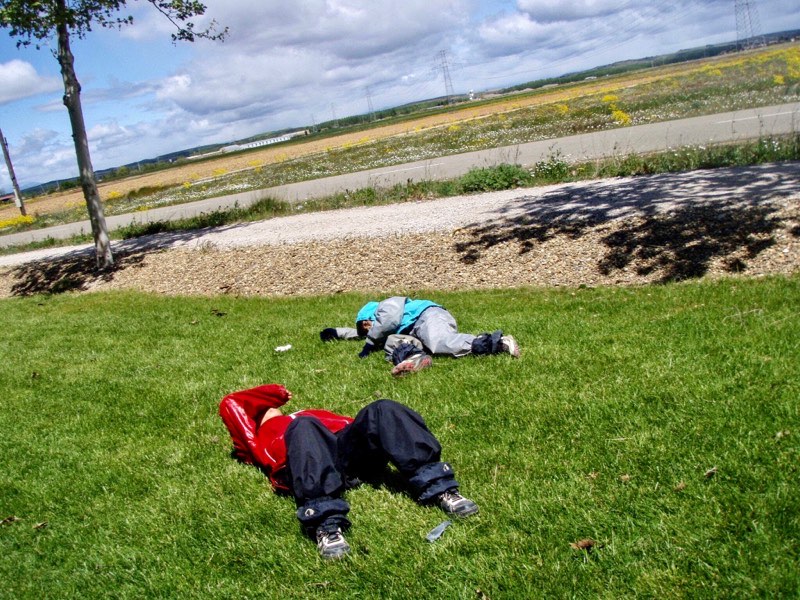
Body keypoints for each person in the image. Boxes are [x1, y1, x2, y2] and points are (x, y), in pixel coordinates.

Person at [219, 384, 479, 560]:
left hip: (346, 454)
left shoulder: (310, 413)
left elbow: (356, 427)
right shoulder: (260, 436)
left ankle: (441, 488)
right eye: (262, 411)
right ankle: (327, 525)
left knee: (383, 408)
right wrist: (274, 394)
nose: (271, 411)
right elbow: (231, 403)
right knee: (304, 427)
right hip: (306, 462)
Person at [319, 296, 520, 376]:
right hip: (414, 330)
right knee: (392, 342)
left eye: (366, 324)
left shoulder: (385, 306)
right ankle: (414, 358)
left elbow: (385, 322)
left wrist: (369, 345)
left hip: (428, 317)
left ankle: (496, 343)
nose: (368, 330)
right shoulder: (377, 326)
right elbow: (369, 331)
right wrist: (336, 332)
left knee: (439, 342)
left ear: (370, 314)